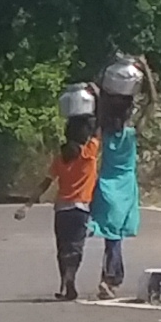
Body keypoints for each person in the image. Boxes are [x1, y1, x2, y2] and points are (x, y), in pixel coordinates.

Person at [82, 56, 145, 297]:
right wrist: (145, 70)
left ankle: (110, 278)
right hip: (126, 186)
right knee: (115, 236)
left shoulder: (103, 131)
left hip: (106, 184)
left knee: (111, 235)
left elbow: (100, 107)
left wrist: (100, 89)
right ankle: (110, 279)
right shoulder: (132, 133)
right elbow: (153, 101)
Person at [46, 83, 101, 300]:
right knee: (75, 247)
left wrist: (28, 204)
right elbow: (100, 124)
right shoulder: (89, 153)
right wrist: (97, 96)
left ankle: (64, 284)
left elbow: (46, 181)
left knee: (62, 248)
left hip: (61, 209)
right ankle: (70, 279)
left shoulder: (61, 157)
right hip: (81, 208)